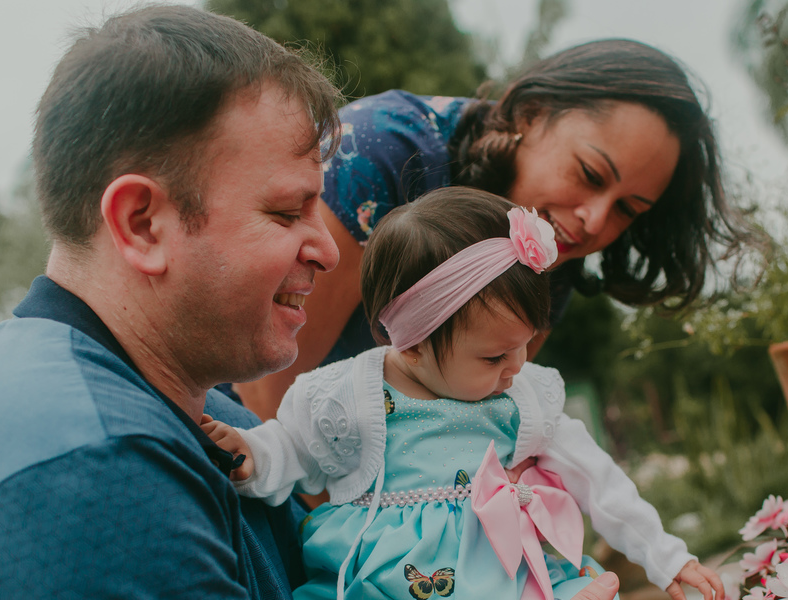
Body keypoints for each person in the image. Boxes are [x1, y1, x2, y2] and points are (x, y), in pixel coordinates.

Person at [0, 7, 669, 600]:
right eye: (286, 210)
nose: (332, 247)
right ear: (142, 221)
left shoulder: (213, 427)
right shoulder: (75, 470)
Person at [201, 186, 724, 600]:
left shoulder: (523, 397)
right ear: (414, 342)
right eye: (495, 353)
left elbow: (598, 478)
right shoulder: (350, 397)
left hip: (500, 593)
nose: (515, 366)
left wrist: (667, 556)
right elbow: (290, 450)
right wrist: (251, 456)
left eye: (526, 342)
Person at [235, 38, 753, 421]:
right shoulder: (386, 153)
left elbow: (473, 420)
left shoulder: (552, 259)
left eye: (627, 211)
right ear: (531, 113)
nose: (595, 222)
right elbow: (264, 396)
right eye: (590, 175)